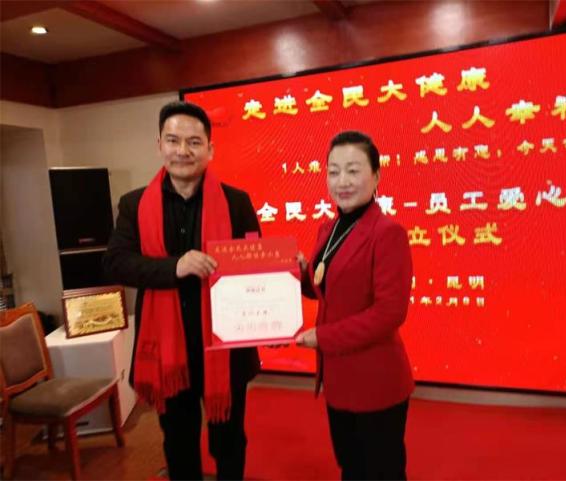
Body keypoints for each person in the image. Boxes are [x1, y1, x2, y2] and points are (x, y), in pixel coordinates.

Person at [103, 100, 260, 481]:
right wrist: (176, 266)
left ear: (210, 148)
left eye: (194, 142)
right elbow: (116, 263)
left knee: (229, 440)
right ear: (159, 144)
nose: (183, 151)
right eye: (173, 140)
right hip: (167, 349)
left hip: (224, 346)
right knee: (177, 441)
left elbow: (255, 266)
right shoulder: (134, 204)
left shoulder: (236, 202)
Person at [296, 130, 414, 481]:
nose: (342, 181)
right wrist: (300, 274)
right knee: (350, 467)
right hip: (338, 379)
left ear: (376, 176)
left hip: (375, 381)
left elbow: (389, 313)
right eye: (334, 171)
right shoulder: (327, 229)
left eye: (353, 170)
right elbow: (326, 288)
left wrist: (322, 337)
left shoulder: (388, 233)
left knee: (382, 472)